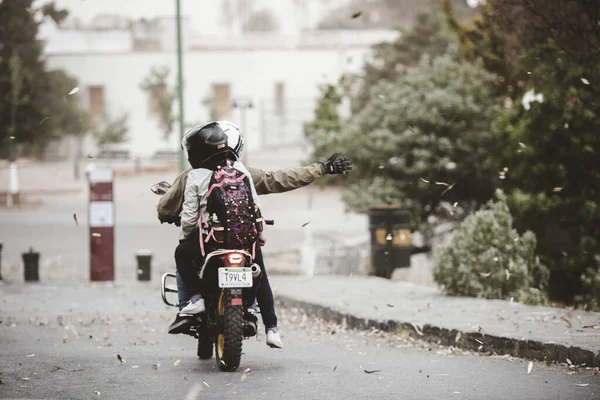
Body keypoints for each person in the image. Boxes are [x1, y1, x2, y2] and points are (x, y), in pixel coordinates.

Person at [158, 121, 352, 348]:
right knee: (260, 270)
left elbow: (167, 208)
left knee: (183, 253)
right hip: (243, 239)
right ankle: (266, 323)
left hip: (209, 239)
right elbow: (282, 179)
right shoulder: (243, 172)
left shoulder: (191, 176)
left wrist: (175, 220)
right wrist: (321, 168)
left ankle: (189, 305)